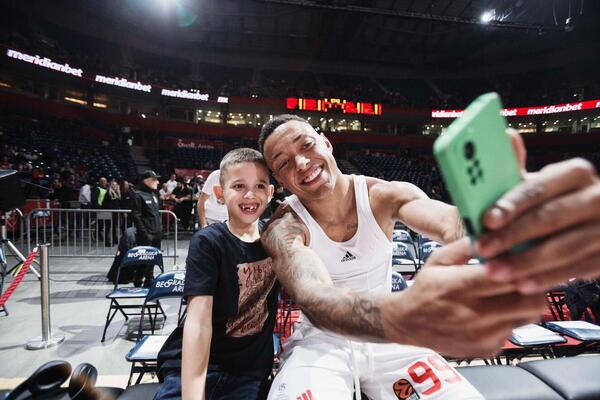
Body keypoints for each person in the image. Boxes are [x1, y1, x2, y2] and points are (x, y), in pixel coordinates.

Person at [258, 114, 600, 400]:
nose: (302, 163)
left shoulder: (384, 195)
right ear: (279, 179)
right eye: (284, 163)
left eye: (306, 146)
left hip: (393, 339)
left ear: (326, 142)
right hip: (324, 342)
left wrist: (493, 220)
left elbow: (450, 222)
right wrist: (404, 315)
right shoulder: (284, 227)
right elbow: (315, 297)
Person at [153, 148, 278, 400]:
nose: (250, 195)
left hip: (249, 372)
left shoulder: (278, 237)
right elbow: (198, 321)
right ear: (220, 194)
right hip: (199, 366)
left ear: (271, 192)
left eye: (260, 186)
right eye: (239, 186)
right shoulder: (209, 242)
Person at [131, 170, 163, 287]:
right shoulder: (138, 195)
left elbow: (156, 214)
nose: (158, 182)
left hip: (156, 233)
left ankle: (149, 279)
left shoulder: (154, 195)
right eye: (155, 180)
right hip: (146, 234)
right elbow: (136, 216)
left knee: (154, 258)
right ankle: (138, 280)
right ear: (147, 181)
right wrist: (144, 233)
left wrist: (160, 229)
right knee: (144, 259)